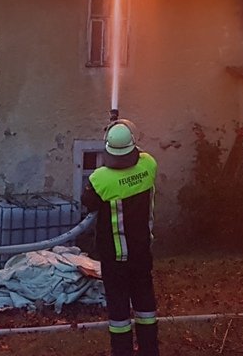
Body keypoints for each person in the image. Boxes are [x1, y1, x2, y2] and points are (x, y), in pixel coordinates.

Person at [81, 118, 159, 356]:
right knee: (145, 306)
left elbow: (87, 202)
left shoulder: (99, 180)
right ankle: (149, 350)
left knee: (118, 311)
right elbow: (140, 153)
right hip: (141, 252)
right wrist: (122, 130)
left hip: (115, 257)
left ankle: (122, 351)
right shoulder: (149, 166)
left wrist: (111, 135)